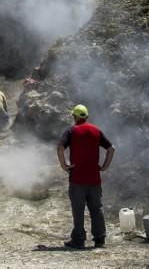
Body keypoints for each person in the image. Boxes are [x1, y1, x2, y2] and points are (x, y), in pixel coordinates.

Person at [56, 104, 115, 249]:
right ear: (87, 117)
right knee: (96, 208)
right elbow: (111, 148)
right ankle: (99, 238)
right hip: (94, 179)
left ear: (75, 117)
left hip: (77, 179)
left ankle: (78, 240)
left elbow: (60, 148)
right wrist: (105, 166)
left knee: (78, 210)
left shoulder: (71, 131)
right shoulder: (96, 130)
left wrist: (64, 166)